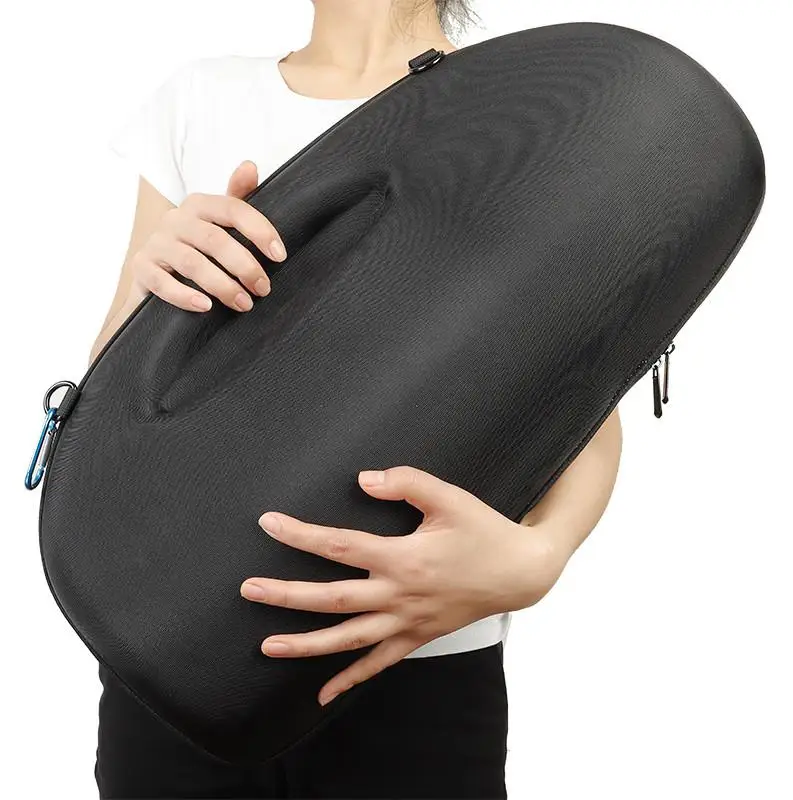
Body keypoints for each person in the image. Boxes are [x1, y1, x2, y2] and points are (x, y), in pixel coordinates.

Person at [93, 1, 623, 797]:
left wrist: (537, 560)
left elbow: (581, 394)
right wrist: (156, 297)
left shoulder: (531, 105)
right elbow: (107, 401)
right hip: (177, 643)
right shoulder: (199, 97)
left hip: (415, 659)